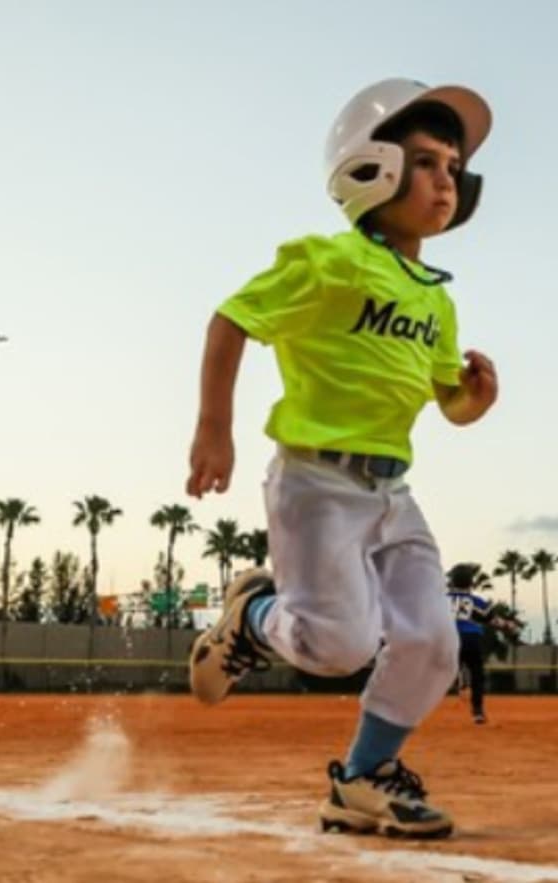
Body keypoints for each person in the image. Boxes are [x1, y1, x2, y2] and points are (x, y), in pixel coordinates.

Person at [182, 78, 498, 841]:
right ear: (372, 168)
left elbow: (442, 398)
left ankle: (360, 780)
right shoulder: (327, 262)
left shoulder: (435, 298)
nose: (445, 180)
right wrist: (213, 427)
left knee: (431, 642)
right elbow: (233, 319)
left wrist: (471, 402)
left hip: (392, 491)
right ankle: (255, 617)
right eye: (426, 162)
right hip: (316, 483)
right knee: (340, 646)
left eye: (453, 167)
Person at [446, 562, 519, 724]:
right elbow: (492, 620)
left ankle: (455, 682)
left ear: (451, 581)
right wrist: (508, 626)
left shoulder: (440, 600)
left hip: (448, 639)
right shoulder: (476, 601)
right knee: (477, 675)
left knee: (438, 672)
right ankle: (477, 711)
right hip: (471, 638)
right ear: (471, 582)